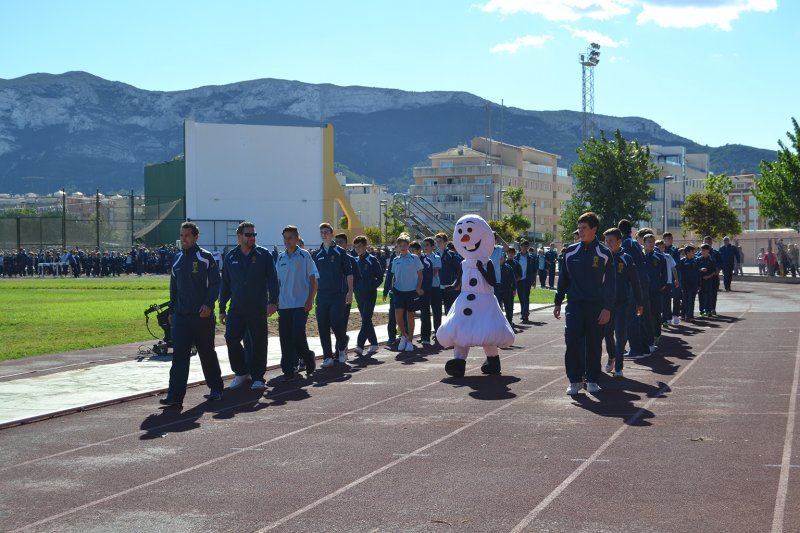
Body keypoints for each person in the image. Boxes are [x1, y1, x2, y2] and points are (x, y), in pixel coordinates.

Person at [159, 221, 225, 406]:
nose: (183, 239)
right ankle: (175, 396)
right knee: (179, 356)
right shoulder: (177, 259)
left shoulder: (205, 257)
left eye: (187, 235)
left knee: (206, 353)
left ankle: (216, 388)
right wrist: (172, 310)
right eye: (181, 235)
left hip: (201, 316)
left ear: (196, 237)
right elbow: (174, 288)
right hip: (181, 316)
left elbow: (215, 284)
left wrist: (208, 305)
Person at [554, 212, 615, 395]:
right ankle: (575, 379)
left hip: (596, 306)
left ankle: (592, 379)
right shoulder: (570, 252)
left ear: (594, 230)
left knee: (594, 343)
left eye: (584, 228)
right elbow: (563, 279)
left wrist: (607, 308)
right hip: (574, 305)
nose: (580, 231)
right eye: (579, 228)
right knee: (572, 339)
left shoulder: (604, 254)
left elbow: (611, 284)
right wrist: (558, 302)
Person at [219, 222, 279, 390]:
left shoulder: (264, 255)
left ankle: (258, 376)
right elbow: (225, 284)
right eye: (248, 235)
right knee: (231, 338)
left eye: (254, 235)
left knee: (259, 342)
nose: (252, 237)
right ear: (239, 236)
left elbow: (273, 280)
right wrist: (222, 308)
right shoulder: (230, 257)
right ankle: (241, 371)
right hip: (236, 308)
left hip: (257, 307)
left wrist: (273, 301)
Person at [276, 225, 318, 381]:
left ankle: (307, 357)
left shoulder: (304, 256)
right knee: (285, 337)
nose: (287, 241)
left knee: (296, 334)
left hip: (301, 303)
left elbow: (313, 278)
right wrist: (274, 301)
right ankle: (288, 368)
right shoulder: (280, 257)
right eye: (285, 238)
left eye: (290, 237)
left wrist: (310, 299)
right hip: (284, 304)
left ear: (297, 238)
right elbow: (277, 281)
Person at [602, 228, 643, 377]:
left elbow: (635, 282)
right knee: (607, 334)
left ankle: (619, 365)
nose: (608, 244)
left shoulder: (627, 258)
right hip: (606, 304)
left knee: (620, 334)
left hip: (622, 303)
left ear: (619, 241)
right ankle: (612, 356)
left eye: (611, 241)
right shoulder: (602, 258)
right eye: (606, 241)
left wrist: (640, 302)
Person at [314, 223, 354, 368]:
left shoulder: (340, 252)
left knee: (336, 323)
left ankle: (342, 344)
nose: (324, 235)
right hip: (322, 295)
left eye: (326, 232)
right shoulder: (317, 254)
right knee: (322, 325)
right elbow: (314, 277)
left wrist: (350, 292)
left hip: (338, 294)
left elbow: (349, 273)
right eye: (321, 232)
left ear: (331, 234)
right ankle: (327, 356)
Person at [384, 233, 423, 353]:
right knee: (398, 315)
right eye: (400, 245)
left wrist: (418, 288)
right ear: (397, 246)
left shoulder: (415, 258)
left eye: (404, 245)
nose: (402, 247)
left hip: (411, 291)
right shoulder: (395, 260)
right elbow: (393, 276)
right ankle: (404, 336)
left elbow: (420, 274)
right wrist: (390, 289)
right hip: (398, 291)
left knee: (410, 316)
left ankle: (410, 340)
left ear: (408, 245)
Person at [619, 220, 649, 358]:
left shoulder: (625, 244)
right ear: (630, 230)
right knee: (639, 315)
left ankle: (636, 349)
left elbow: (625, 263)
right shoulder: (635, 243)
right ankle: (644, 347)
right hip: (642, 280)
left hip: (634, 282)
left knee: (631, 316)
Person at [352, 234, 383, 356]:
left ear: (365, 246)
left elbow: (380, 277)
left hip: (370, 294)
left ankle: (360, 345)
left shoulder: (372, 259)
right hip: (358, 295)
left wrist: (371, 287)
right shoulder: (355, 260)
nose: (357, 249)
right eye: (356, 247)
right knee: (366, 320)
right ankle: (374, 343)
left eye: (360, 246)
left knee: (365, 319)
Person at [642, 234, 667, 348]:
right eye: (649, 241)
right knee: (643, 315)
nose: (651, 243)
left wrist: (662, 285)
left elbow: (665, 274)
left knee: (655, 314)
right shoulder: (639, 257)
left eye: (653, 241)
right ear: (643, 242)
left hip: (655, 291)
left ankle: (657, 335)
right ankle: (646, 337)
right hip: (642, 291)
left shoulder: (659, 257)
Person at [335, 233, 359, 346]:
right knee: (333, 323)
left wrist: (350, 290)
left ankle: (339, 349)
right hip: (332, 294)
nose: (338, 244)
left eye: (341, 242)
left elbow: (357, 277)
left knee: (342, 322)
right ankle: (343, 339)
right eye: (337, 242)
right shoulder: (332, 257)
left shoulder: (351, 260)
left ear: (346, 244)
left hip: (345, 295)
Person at [419, 237, 441, 345]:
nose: (425, 247)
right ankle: (425, 336)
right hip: (425, 288)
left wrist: (423, 273)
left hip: (435, 287)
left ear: (433, 247)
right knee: (424, 313)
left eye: (427, 245)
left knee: (436, 312)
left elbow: (435, 272)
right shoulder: (421, 259)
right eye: (424, 245)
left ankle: (438, 335)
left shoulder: (436, 257)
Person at [656, 239, 680, 327]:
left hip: (668, 282)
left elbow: (674, 268)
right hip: (657, 283)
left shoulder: (668, 256)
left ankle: (666, 319)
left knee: (666, 301)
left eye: (662, 247)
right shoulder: (655, 256)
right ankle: (660, 319)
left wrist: (676, 279)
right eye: (659, 247)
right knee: (659, 302)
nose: (661, 249)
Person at [436, 233, 461, 314]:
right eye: (437, 242)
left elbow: (459, 270)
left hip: (450, 287)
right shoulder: (435, 255)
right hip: (438, 287)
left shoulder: (452, 255)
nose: (438, 243)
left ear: (446, 242)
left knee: (451, 310)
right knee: (438, 312)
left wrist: (457, 284)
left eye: (440, 241)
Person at [662, 232, 682, 325]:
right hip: (664, 277)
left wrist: (676, 278)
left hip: (673, 276)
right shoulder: (660, 249)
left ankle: (676, 315)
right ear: (664, 239)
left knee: (676, 297)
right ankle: (667, 316)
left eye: (671, 238)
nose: (670, 240)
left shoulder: (675, 250)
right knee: (666, 298)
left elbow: (676, 264)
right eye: (668, 238)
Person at [513, 240, 535, 323]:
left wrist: (534, 281)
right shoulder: (516, 257)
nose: (525, 248)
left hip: (527, 280)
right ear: (520, 247)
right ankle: (523, 312)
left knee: (526, 297)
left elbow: (534, 270)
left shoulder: (531, 258)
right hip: (519, 280)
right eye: (523, 246)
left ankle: (525, 314)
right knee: (521, 297)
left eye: (526, 246)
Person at [678, 245, 700, 322]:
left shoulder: (695, 261)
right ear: (687, 252)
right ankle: (685, 314)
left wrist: (698, 285)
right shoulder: (682, 261)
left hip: (693, 284)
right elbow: (679, 273)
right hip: (685, 284)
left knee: (691, 300)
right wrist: (680, 283)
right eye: (692, 252)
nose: (694, 253)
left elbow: (698, 273)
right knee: (686, 300)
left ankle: (690, 315)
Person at [499, 248, 521, 326]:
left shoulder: (508, 267)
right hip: (498, 290)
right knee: (498, 307)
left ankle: (509, 321)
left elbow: (513, 279)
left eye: (502, 258)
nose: (501, 259)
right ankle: (500, 322)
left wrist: (514, 289)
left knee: (509, 307)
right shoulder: (495, 267)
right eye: (500, 258)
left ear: (504, 258)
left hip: (508, 290)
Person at [697, 244, 718, 317]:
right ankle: (702, 310)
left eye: (704, 250)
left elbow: (714, 271)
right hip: (700, 280)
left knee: (708, 295)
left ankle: (708, 311)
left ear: (708, 251)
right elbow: (696, 269)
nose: (702, 252)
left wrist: (708, 276)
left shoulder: (711, 259)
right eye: (701, 250)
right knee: (701, 295)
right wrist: (700, 269)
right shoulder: (698, 259)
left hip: (709, 280)